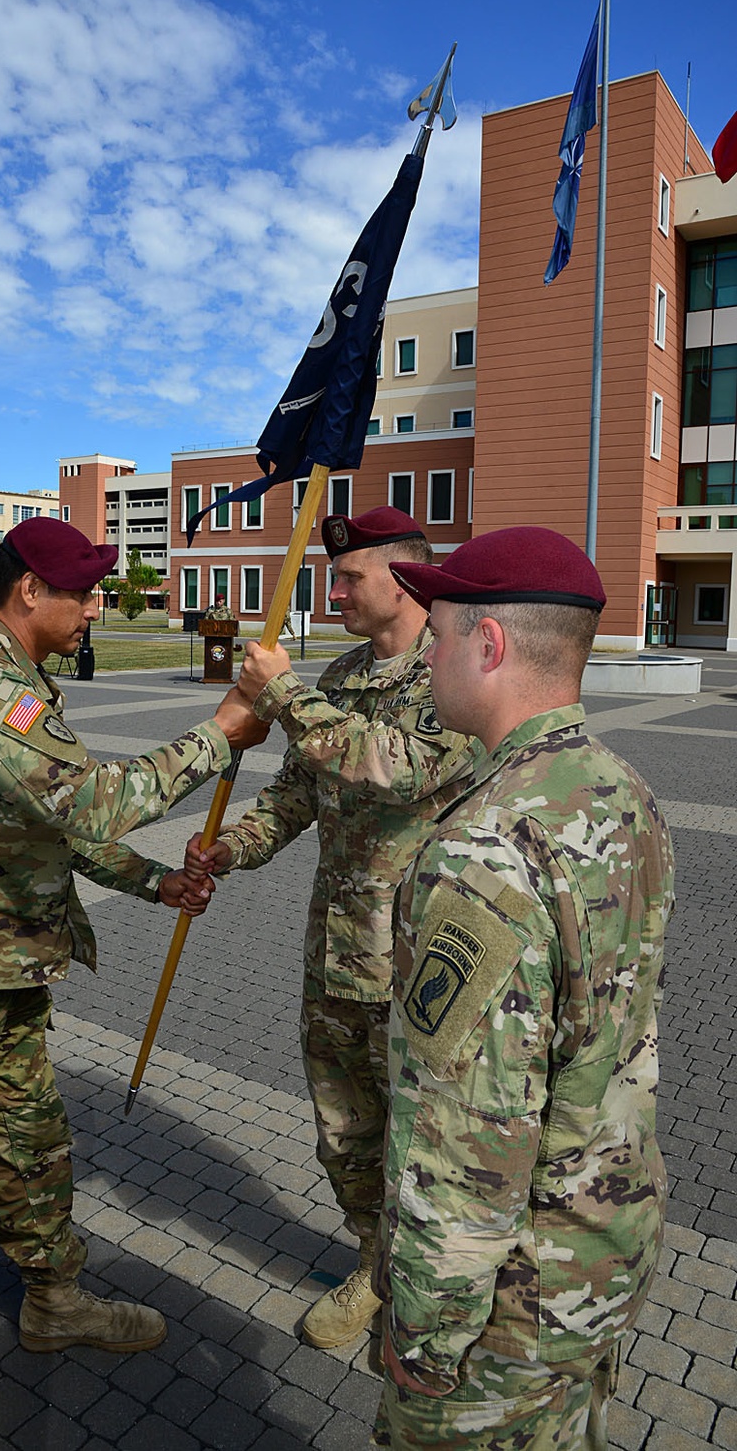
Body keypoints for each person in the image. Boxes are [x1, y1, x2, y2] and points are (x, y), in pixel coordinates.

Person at [0, 518, 267, 1356]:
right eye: (82, 594)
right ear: (29, 591)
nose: (94, 609)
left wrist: (151, 880)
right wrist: (220, 734)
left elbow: (58, 824)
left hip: (4, 969)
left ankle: (54, 1300)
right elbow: (91, 801)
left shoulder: (15, 677)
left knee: (31, 1146)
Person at [374, 527, 674, 1450]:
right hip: (601, 1249)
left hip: (510, 1307)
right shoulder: (621, 791)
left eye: (440, 632)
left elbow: (467, 1138)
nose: (427, 652)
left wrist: (425, 1334)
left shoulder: (485, 848)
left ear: (489, 645)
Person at [186, 506, 478, 1350]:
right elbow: (294, 796)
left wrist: (281, 692)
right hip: (337, 955)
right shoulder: (342, 678)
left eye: (351, 576)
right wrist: (228, 848)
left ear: (406, 577)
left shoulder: (451, 676)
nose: (334, 587)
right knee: (345, 1134)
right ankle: (375, 1264)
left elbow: (393, 770)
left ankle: (440, 1291)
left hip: (427, 966)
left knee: (432, 1139)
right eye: (333, 573)